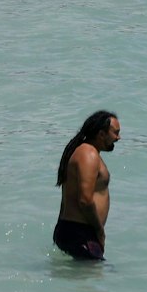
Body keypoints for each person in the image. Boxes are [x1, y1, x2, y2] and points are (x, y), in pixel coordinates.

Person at [54, 110, 121, 261]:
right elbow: (85, 199)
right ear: (101, 134)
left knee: (86, 280)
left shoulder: (85, 152)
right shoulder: (88, 154)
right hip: (80, 233)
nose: (118, 137)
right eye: (115, 133)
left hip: (75, 231)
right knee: (92, 279)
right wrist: (99, 230)